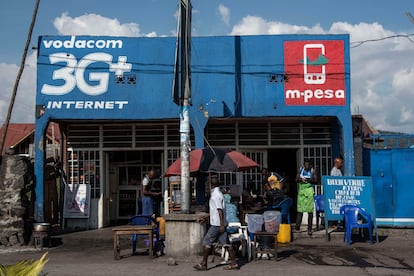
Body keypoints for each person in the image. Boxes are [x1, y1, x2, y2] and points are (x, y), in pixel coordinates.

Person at [194, 177, 238, 271]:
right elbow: (215, 211)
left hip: (217, 224)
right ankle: (233, 263)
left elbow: (219, 210)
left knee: (207, 241)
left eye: (207, 185)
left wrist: (221, 224)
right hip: (219, 223)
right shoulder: (217, 194)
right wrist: (206, 218)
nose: (206, 187)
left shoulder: (215, 195)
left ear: (211, 185)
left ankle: (204, 264)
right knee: (226, 243)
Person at [295, 160, 317, 235]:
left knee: (310, 210)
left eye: (308, 165)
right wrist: (301, 179)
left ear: (310, 165)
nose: (307, 166)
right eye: (305, 165)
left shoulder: (312, 170)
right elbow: (296, 179)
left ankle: (309, 228)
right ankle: (297, 226)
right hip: (301, 191)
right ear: (304, 165)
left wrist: (310, 180)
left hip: (309, 190)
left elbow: (316, 180)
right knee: (300, 209)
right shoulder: (300, 170)